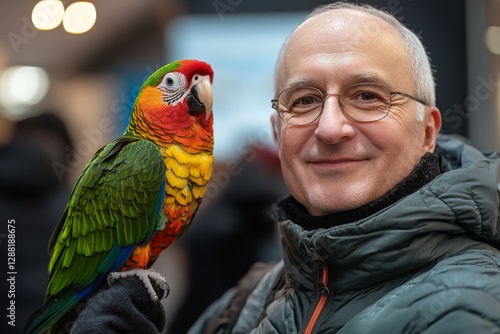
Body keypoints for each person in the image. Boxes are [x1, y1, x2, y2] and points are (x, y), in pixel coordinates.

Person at [67, 2, 500, 333]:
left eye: (368, 96)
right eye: (305, 100)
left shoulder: (471, 308)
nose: (331, 128)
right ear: (277, 134)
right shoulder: (250, 296)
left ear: (427, 131)